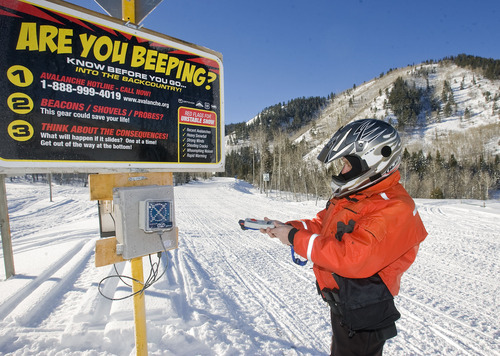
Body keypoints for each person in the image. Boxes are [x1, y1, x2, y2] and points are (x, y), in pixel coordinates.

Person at [261, 119, 427, 356]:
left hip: (365, 311)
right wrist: (287, 228)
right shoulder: (359, 196)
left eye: (347, 164)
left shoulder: (392, 207)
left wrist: (294, 237)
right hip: (346, 301)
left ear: (373, 162)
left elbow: (351, 257)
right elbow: (323, 224)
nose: (342, 171)